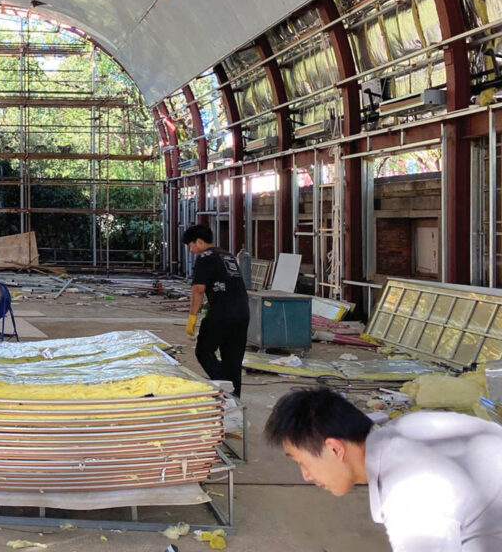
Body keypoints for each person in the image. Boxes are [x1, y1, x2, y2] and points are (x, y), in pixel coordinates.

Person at [265, 387, 502, 551]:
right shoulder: (408, 427)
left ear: (335, 449)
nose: (306, 476)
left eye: (301, 462)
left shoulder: (409, 493)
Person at [181, 224, 250, 397]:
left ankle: (224, 387)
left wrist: (192, 317)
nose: (191, 250)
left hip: (221, 313)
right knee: (233, 359)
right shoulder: (228, 255)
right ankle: (234, 401)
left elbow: (198, 289)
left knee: (203, 350)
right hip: (242, 313)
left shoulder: (204, 257)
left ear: (199, 241)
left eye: (190, 246)